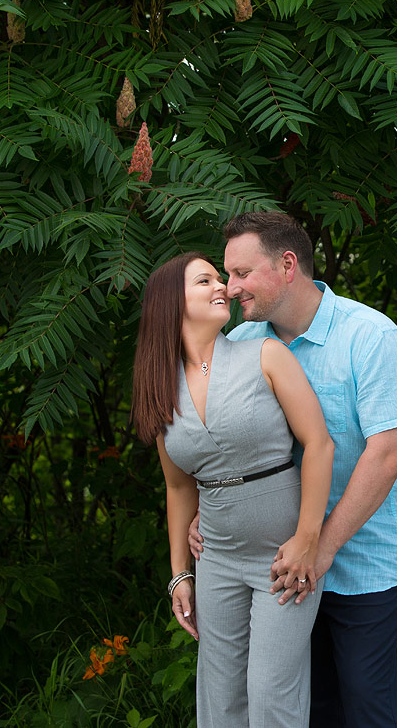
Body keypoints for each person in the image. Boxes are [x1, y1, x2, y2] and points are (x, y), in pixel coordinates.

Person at [189, 211, 397, 727]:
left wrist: (322, 545)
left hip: (361, 561)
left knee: (365, 705)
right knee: (302, 708)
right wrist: (213, 508)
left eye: (241, 273)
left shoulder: (371, 336)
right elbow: (228, 448)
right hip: (274, 565)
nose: (230, 289)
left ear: (287, 265)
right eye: (227, 275)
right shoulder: (244, 347)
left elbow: (387, 454)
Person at [131, 251, 334, 728]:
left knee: (269, 700)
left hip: (283, 557)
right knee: (219, 703)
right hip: (217, 559)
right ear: (170, 304)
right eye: (205, 281)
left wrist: (307, 539)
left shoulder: (264, 355)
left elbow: (318, 444)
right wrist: (181, 574)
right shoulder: (160, 388)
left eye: (220, 278)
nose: (222, 285)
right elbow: (179, 488)